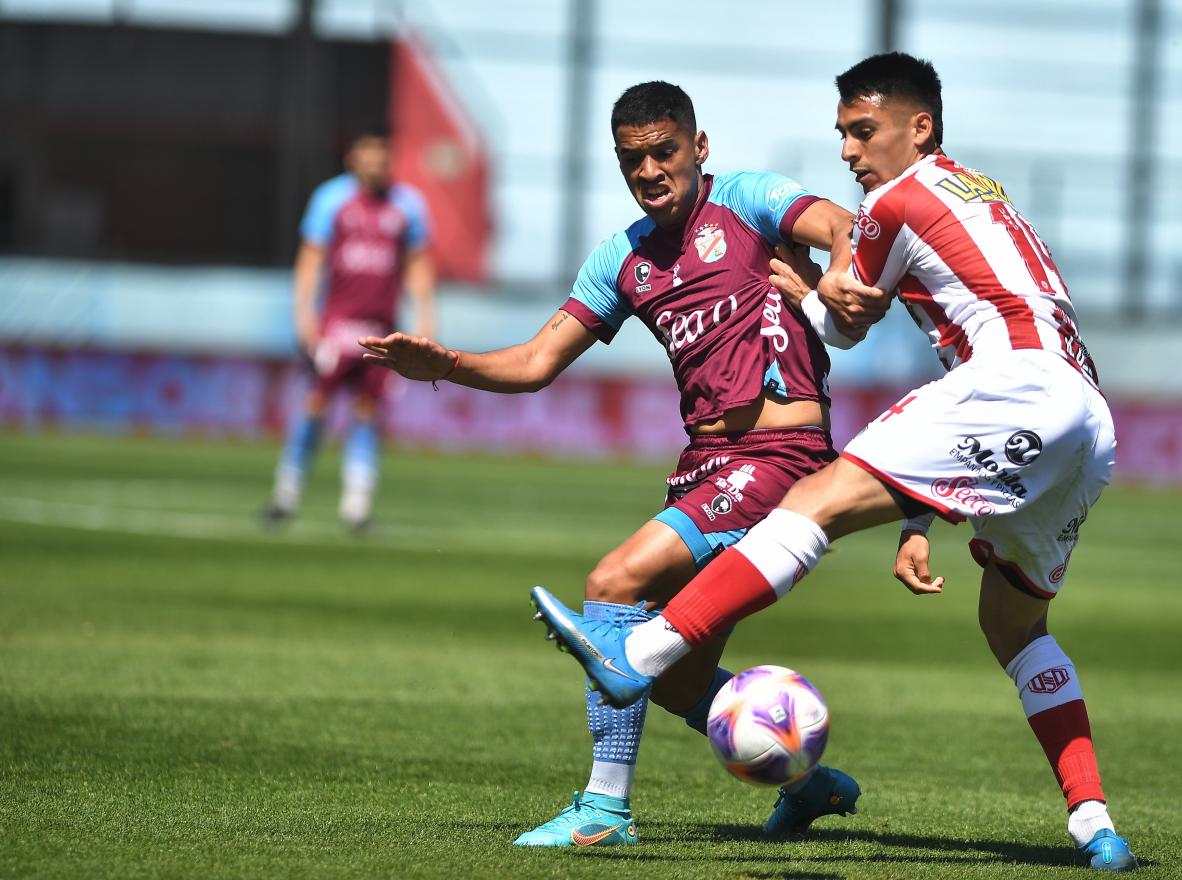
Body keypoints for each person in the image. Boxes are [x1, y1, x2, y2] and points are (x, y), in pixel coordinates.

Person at [531, 54, 1140, 872]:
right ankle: (1094, 823)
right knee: (1015, 625)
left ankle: (637, 654)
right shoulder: (981, 192)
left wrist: (814, 290)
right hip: (1084, 418)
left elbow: (838, 323)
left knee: (814, 498)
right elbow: (915, 343)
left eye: (863, 132)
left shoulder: (891, 200)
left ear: (918, 128)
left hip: (1015, 385)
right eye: (843, 136)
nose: (850, 154)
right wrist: (919, 515)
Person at [360, 81, 863, 847]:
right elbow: (534, 361)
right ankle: (809, 783)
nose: (651, 169)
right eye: (634, 159)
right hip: (708, 465)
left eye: (665, 151)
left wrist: (839, 278)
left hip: (779, 457)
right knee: (681, 682)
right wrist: (445, 361)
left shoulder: (751, 201)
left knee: (611, 587)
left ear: (698, 148)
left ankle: (602, 812)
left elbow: (838, 223)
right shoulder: (623, 259)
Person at [263, 132, 435, 532]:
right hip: (336, 328)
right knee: (314, 405)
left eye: (382, 155)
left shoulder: (408, 205)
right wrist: (303, 314)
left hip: (381, 332)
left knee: (368, 413)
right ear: (352, 158)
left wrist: (426, 315)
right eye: (368, 154)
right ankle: (285, 496)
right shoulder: (330, 199)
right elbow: (310, 259)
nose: (375, 163)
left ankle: (356, 508)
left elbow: (417, 265)